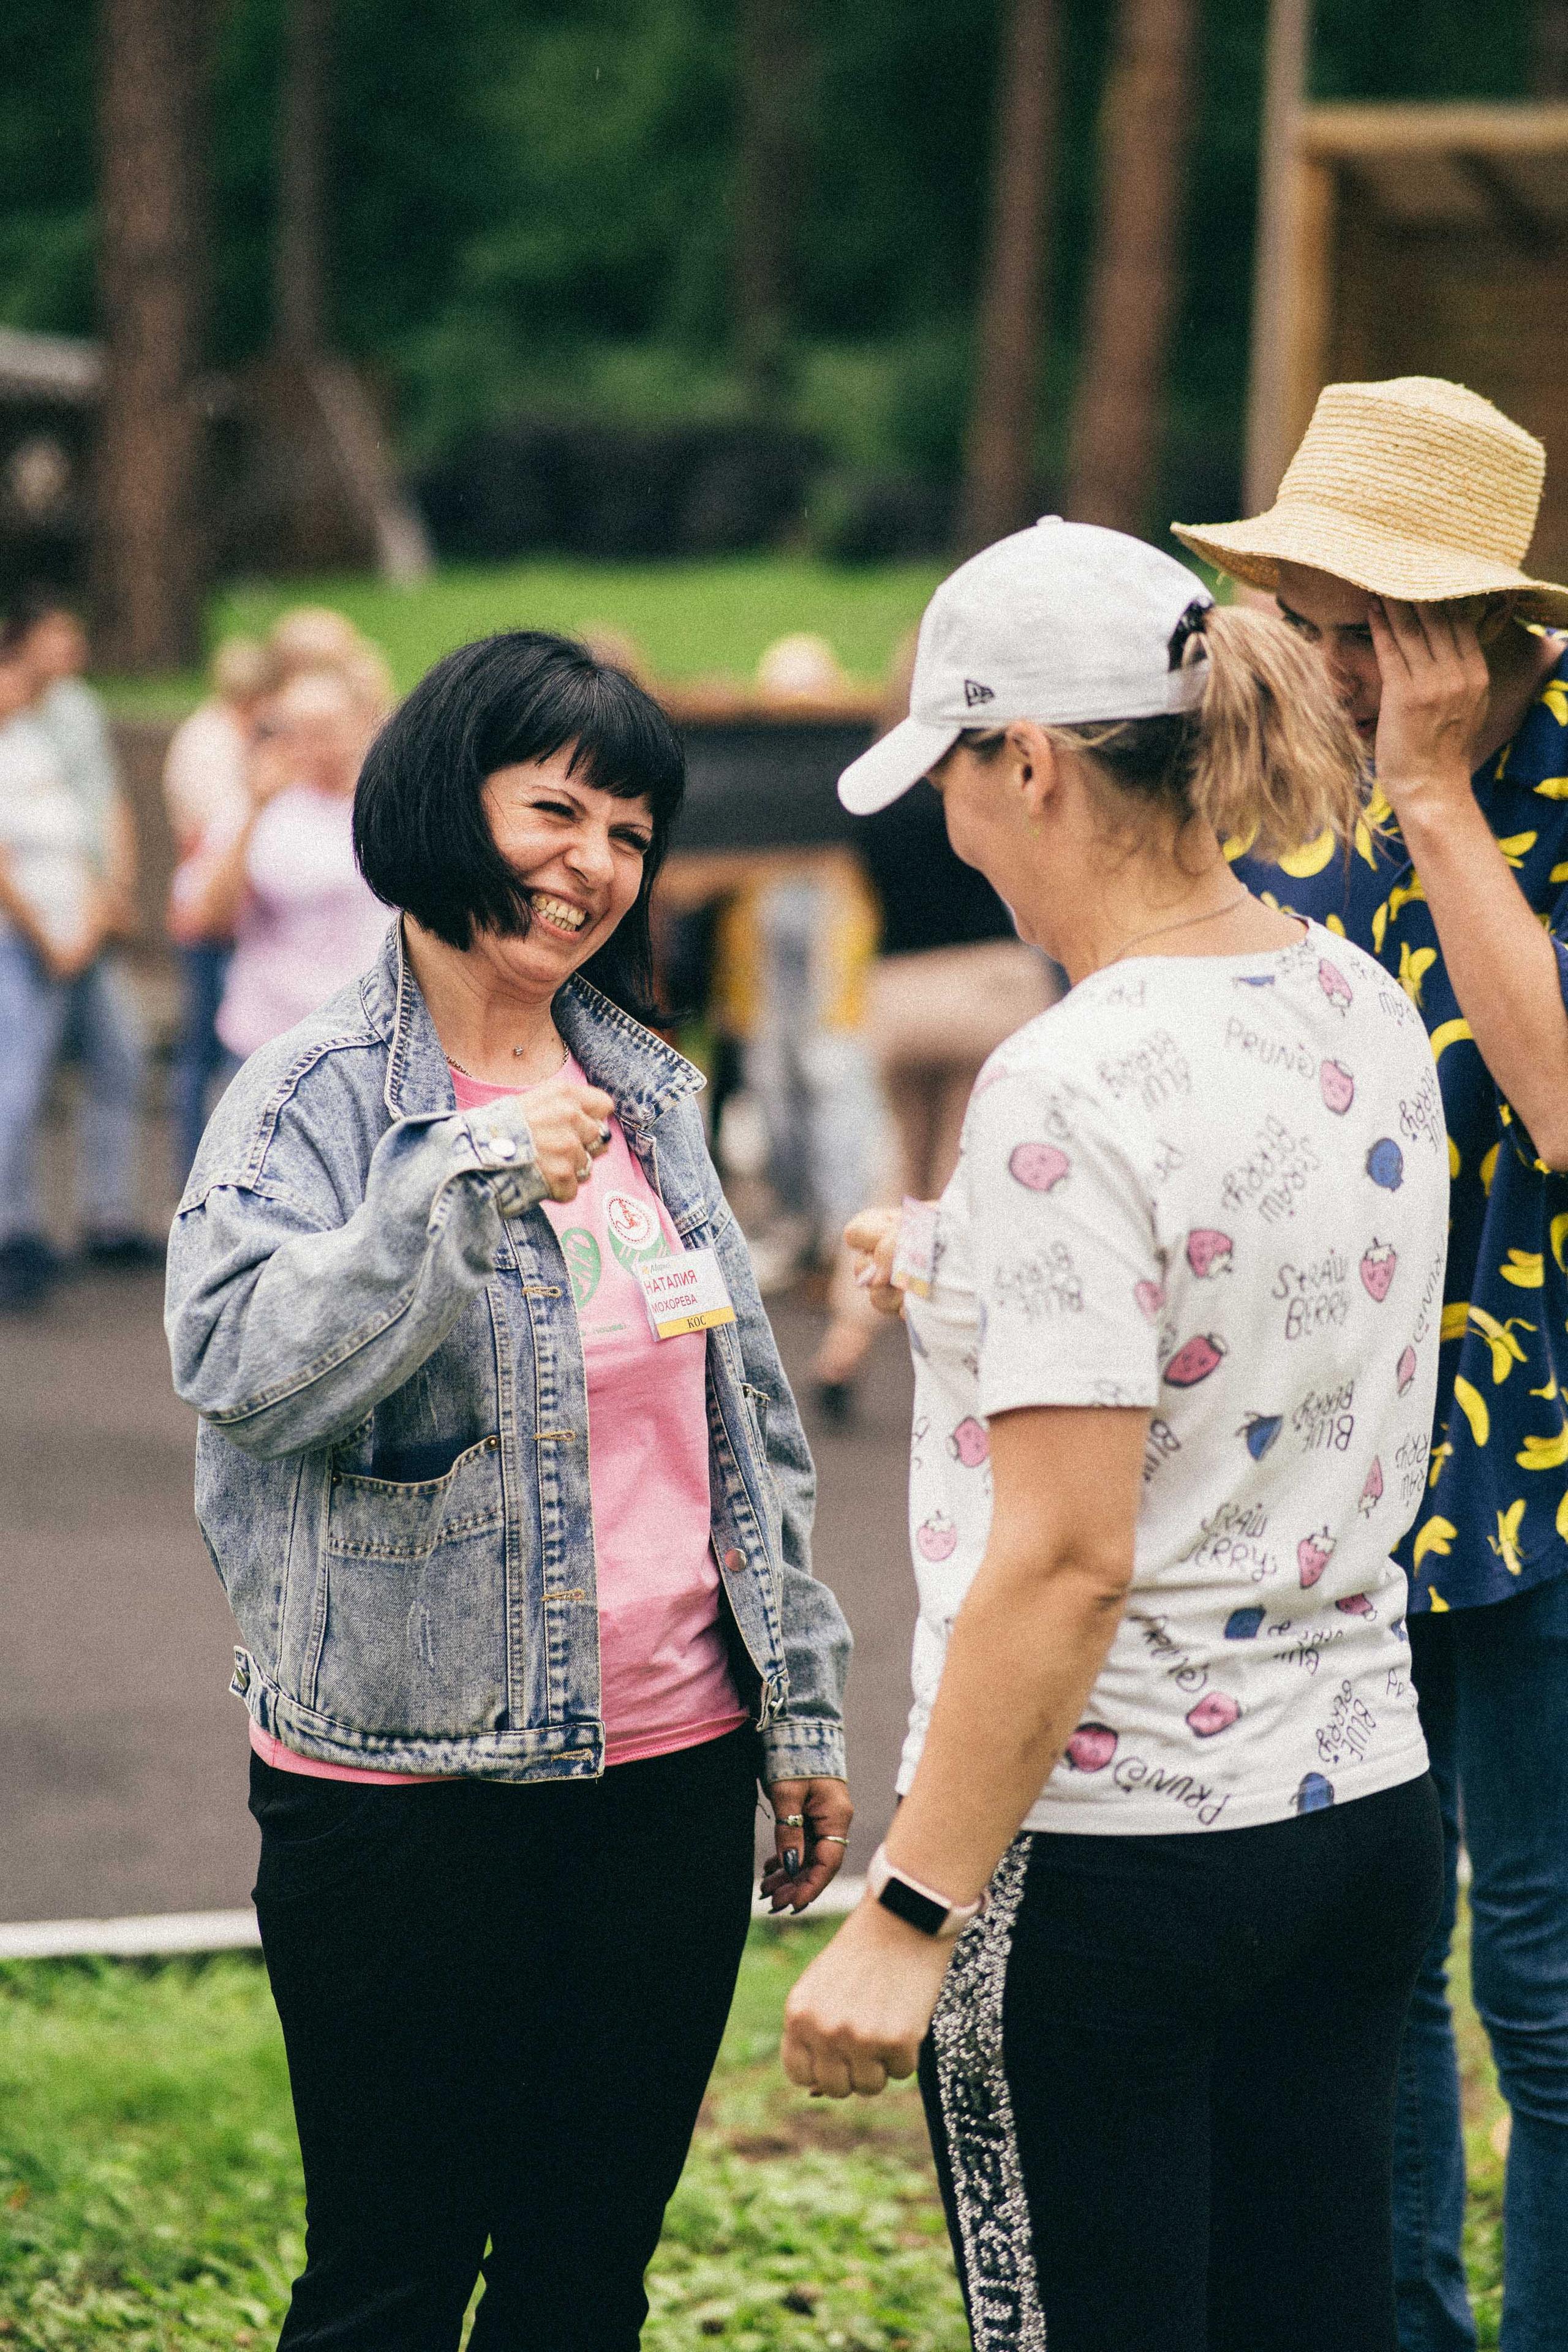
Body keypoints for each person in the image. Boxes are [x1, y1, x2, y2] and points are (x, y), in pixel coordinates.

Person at [780, 519, 1449, 2352]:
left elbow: (1067, 1558)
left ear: (1031, 759)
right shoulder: (1350, 998)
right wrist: (954, 1261)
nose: (945, 825)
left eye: (953, 777)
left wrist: (908, 1904)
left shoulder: (1064, 1083)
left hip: (1107, 1859)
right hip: (1356, 1814)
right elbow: (1263, 1314)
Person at [164, 630, 853, 2352]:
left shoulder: (645, 1088)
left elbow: (739, 1421)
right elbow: (241, 1363)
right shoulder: (317, 1100)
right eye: (555, 809)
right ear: (438, 803)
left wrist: (803, 1705)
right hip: (406, 1790)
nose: (595, 866)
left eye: (629, 832)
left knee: (581, 2276)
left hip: (672, 1774)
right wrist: (456, 1185)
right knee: (389, 2282)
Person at [1173, 377, 1568, 2352]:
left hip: (1554, 1465)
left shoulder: (1497, 775)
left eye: (1371, 628)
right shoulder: (1295, 779)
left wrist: (1436, 798)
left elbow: (1561, 1102)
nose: (1331, 665)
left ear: (1479, 630)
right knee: (1372, 1963)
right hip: (1349, 1462)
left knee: (1551, 1979)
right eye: (1309, 617)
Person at [0, 610, 157, 1307]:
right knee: (18, 1082)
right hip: (29, 939)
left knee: (119, 1053)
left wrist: (100, 906)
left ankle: (107, 1215)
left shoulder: (38, 738)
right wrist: (45, 934)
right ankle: (13, 1231)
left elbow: (81, 827)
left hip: (77, 933)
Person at [170, 667, 390, 1075]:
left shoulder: (392, 806)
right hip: (271, 1041)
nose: (310, 747)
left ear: (363, 722)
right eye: (294, 731)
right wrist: (255, 811)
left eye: (324, 729)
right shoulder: (260, 809)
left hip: (369, 1038)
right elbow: (205, 920)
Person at [162, 635, 281, 1178]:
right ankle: (193, 1165)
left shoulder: (243, 737)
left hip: (230, 911)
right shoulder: (208, 741)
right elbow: (207, 830)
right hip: (208, 918)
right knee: (204, 1050)